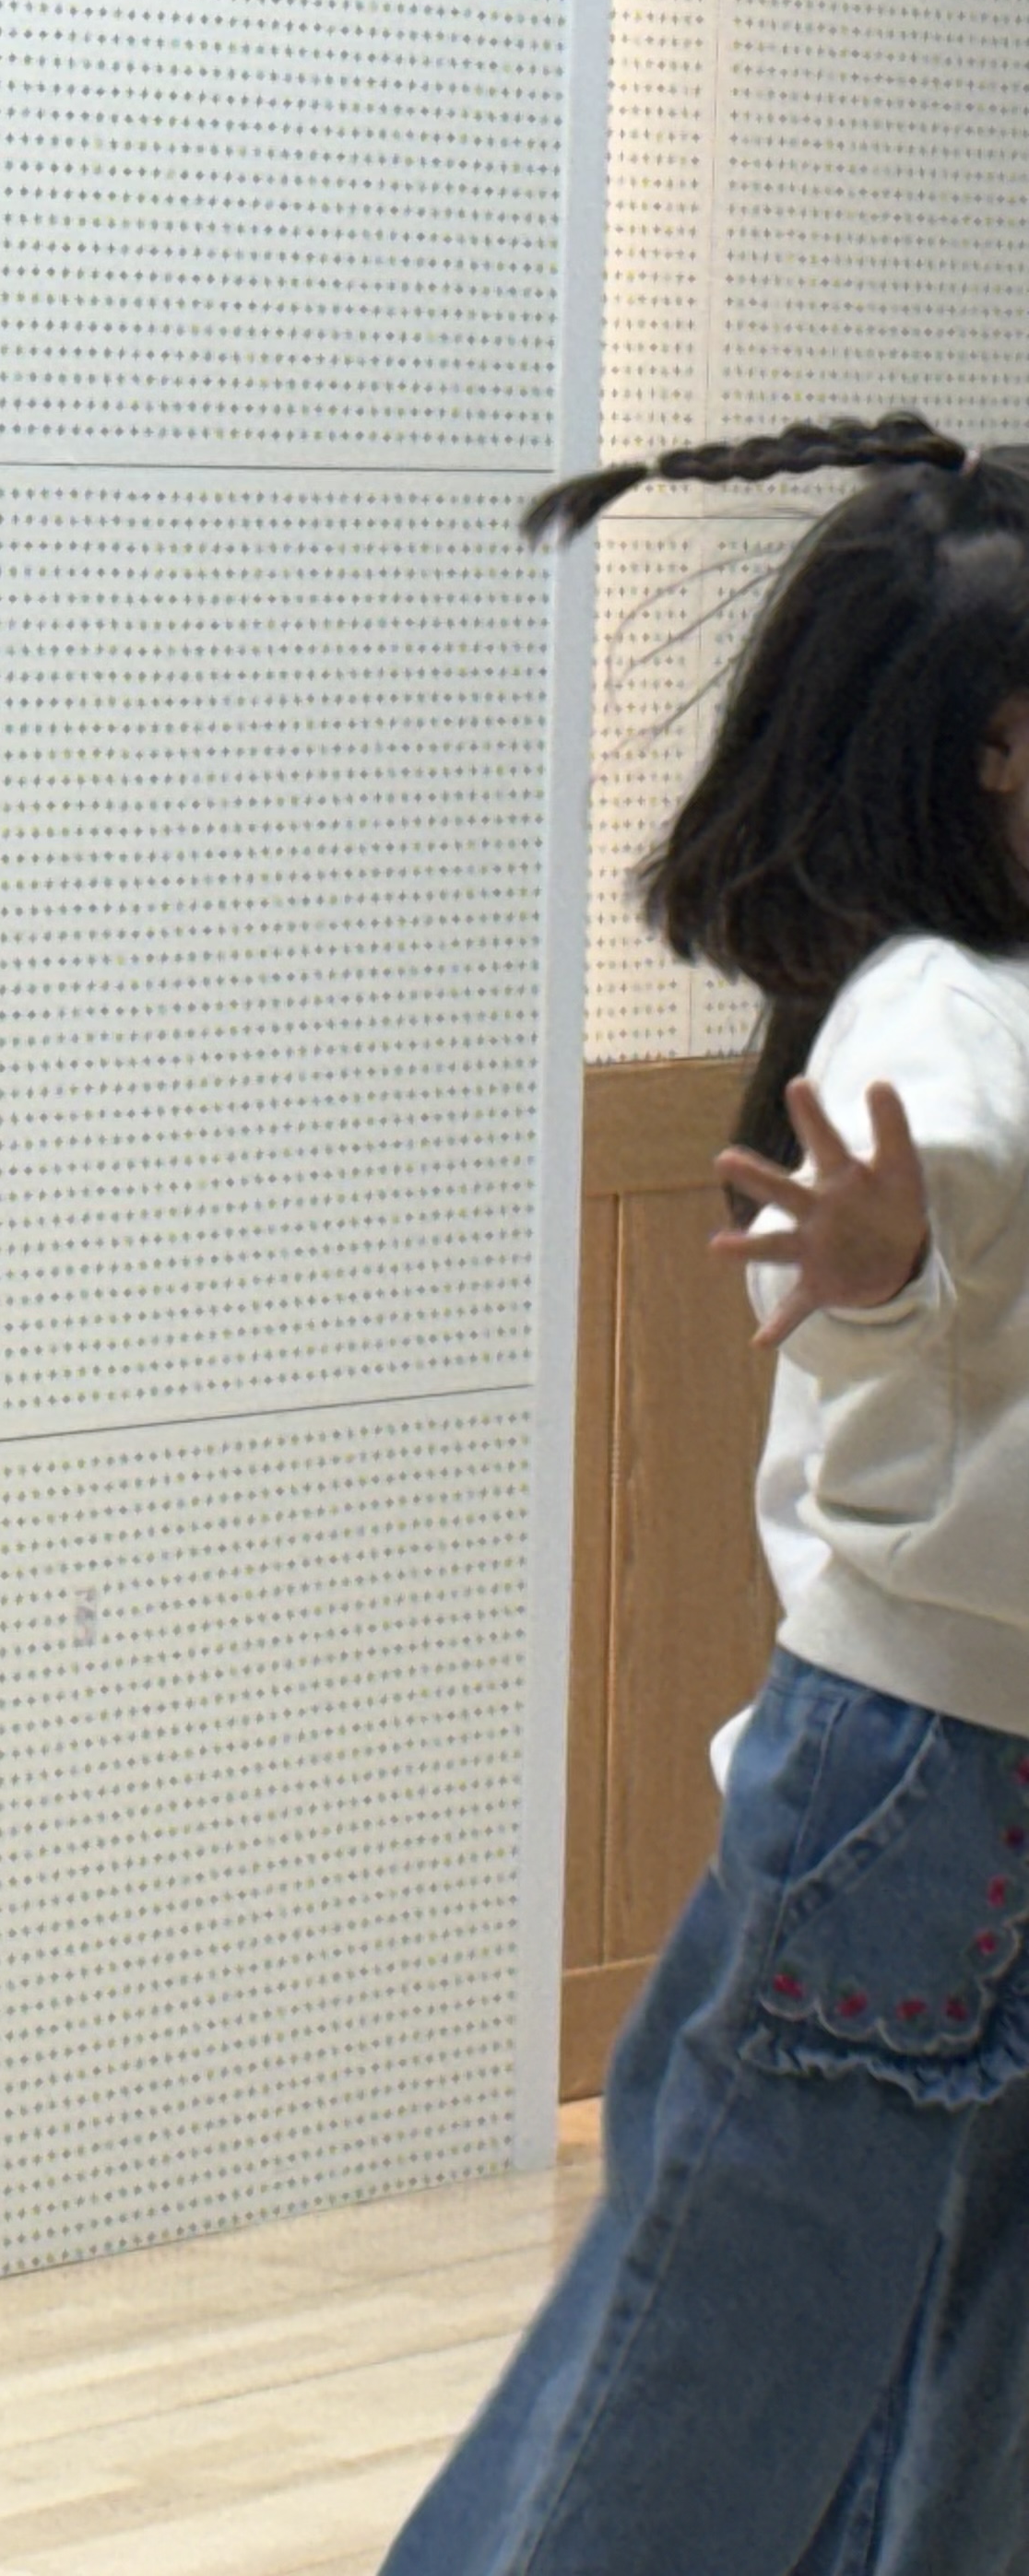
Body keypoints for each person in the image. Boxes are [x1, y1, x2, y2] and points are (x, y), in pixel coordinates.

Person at [386, 418, 1029, 2576]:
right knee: (710, 2372)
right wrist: (893, 1250)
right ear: (1009, 749)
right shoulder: (938, 1006)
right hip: (921, 1778)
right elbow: (938, 1169)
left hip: (955, 1777)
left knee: (948, 2410)